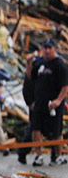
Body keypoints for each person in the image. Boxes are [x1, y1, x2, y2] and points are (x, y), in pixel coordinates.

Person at [25, 37, 68, 166]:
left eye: (50, 48)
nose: (47, 50)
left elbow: (65, 87)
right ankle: (39, 155)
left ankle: (58, 155)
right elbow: (30, 77)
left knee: (56, 130)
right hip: (39, 102)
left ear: (55, 49)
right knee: (36, 128)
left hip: (54, 104)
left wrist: (59, 100)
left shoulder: (60, 65)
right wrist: (28, 63)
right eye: (45, 48)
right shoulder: (39, 63)